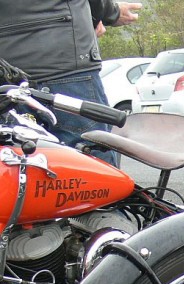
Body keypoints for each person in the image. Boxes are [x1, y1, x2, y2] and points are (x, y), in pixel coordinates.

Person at [0, 0, 142, 165]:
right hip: (68, 64)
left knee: (16, 166)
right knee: (93, 169)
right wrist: (109, 14)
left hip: (9, 77)